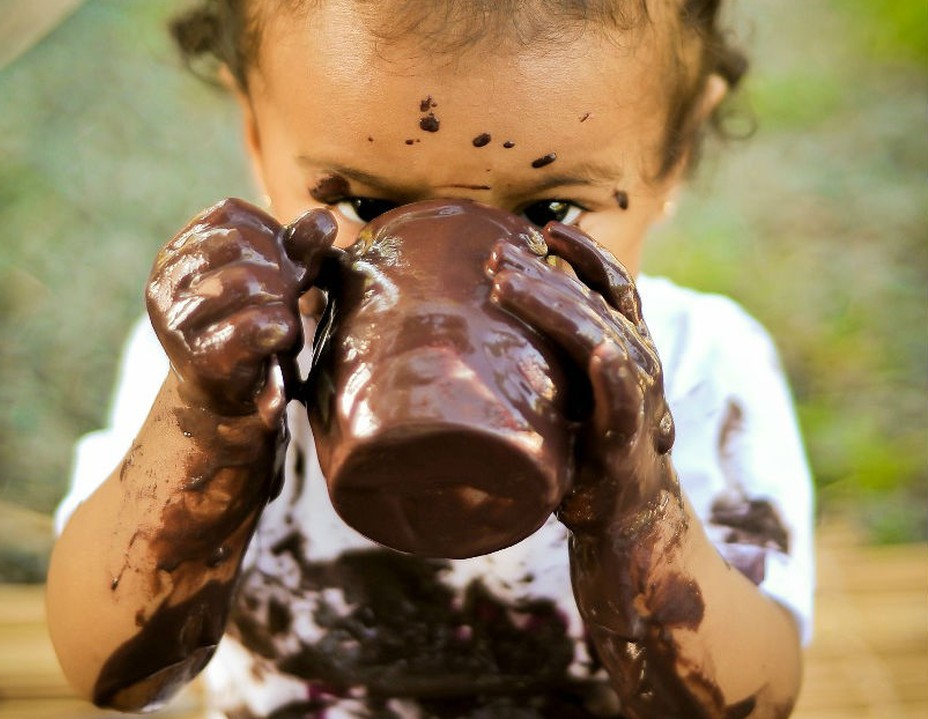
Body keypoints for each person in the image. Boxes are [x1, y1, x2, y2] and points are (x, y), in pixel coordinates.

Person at [46, 1, 815, 717]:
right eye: (368, 207)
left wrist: (640, 511)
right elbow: (105, 668)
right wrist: (205, 429)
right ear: (254, 134)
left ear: (675, 156)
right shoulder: (218, 361)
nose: (446, 292)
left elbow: (757, 694)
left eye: (549, 212)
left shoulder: (705, 371)